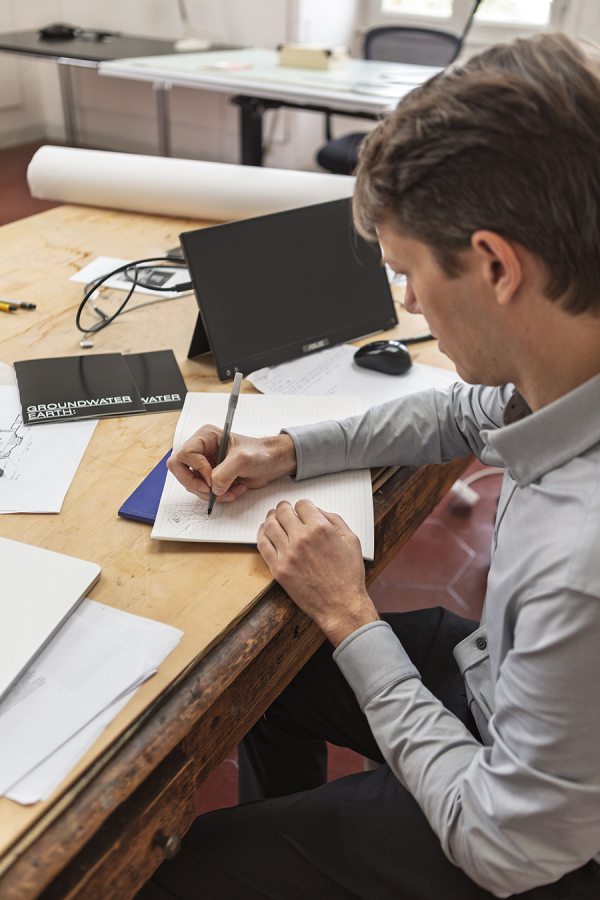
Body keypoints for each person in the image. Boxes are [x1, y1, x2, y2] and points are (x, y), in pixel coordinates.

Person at [138, 32, 600, 900]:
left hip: (535, 852)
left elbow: (505, 847)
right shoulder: (572, 361)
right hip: (509, 689)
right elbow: (463, 410)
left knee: (184, 871)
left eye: (410, 275)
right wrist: (289, 448)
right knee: (265, 679)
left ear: (499, 265)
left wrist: (352, 615)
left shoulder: (584, 562)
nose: (410, 305)